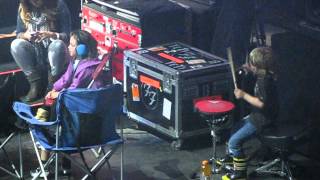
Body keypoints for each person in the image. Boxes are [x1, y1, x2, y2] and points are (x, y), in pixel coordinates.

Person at [31, 29, 110, 178]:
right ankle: (63, 164)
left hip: (80, 116)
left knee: (49, 115)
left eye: (72, 45)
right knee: (48, 101)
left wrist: (57, 94)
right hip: (72, 110)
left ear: (82, 49)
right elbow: (66, 79)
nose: (68, 47)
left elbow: (73, 91)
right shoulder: (75, 62)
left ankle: (45, 161)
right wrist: (54, 88)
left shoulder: (88, 68)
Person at [220, 47, 278, 180]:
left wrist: (243, 95)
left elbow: (261, 103)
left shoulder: (264, 82)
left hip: (262, 120)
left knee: (234, 141)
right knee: (234, 129)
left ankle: (240, 173)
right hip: (257, 116)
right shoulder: (265, 74)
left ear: (257, 66)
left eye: (251, 63)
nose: (249, 64)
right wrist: (247, 68)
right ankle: (232, 159)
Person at [10, 0, 71, 102]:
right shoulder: (23, 7)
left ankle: (52, 84)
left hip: (54, 50)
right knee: (16, 44)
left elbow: (67, 35)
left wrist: (52, 35)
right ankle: (35, 84)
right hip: (34, 50)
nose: (35, 2)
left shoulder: (58, 4)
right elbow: (19, 33)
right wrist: (26, 35)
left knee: (58, 45)